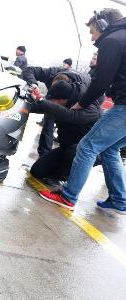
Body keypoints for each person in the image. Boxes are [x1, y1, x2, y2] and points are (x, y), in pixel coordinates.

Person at [38, 9, 126, 214]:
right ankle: (120, 199)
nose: (92, 37)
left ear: (103, 25)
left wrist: (82, 103)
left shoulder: (112, 40)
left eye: (92, 31)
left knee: (87, 146)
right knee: (109, 149)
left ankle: (67, 196)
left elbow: (101, 81)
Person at [29, 80, 101, 187]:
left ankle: (63, 178)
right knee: (37, 171)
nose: (51, 102)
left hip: (91, 151)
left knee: (73, 152)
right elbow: (41, 107)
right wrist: (21, 104)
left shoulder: (89, 105)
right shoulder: (61, 102)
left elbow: (71, 116)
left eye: (53, 100)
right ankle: (59, 173)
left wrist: (41, 100)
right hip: (66, 147)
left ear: (63, 100)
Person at [23, 65, 91, 157]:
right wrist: (33, 84)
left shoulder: (82, 87)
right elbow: (28, 70)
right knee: (48, 122)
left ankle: (69, 151)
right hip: (53, 99)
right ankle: (44, 155)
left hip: (78, 104)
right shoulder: (51, 73)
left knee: (69, 126)